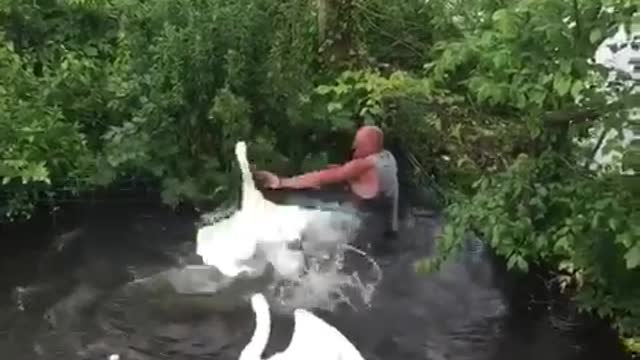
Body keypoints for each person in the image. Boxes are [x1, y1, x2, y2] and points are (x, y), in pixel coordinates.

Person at [255, 125, 399, 241]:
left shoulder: (364, 165)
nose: (354, 147)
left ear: (370, 145)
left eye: (358, 144)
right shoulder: (388, 158)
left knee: (305, 207)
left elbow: (322, 177)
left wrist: (281, 182)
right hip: (383, 220)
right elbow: (382, 187)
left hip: (364, 221)